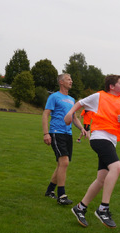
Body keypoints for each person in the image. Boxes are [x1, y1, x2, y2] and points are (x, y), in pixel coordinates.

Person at [64, 75, 120, 229]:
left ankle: (80, 208)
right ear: (111, 86)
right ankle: (103, 208)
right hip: (99, 137)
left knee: (101, 179)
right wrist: (70, 113)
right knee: (116, 167)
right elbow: (80, 103)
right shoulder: (99, 96)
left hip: (111, 141)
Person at [42, 73, 89, 205]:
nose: (71, 81)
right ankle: (61, 195)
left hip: (68, 134)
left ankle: (50, 190)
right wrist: (46, 133)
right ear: (61, 82)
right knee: (64, 162)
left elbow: (74, 118)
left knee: (61, 164)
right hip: (56, 133)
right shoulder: (54, 97)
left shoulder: (72, 100)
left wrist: (82, 129)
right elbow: (45, 115)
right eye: (69, 79)